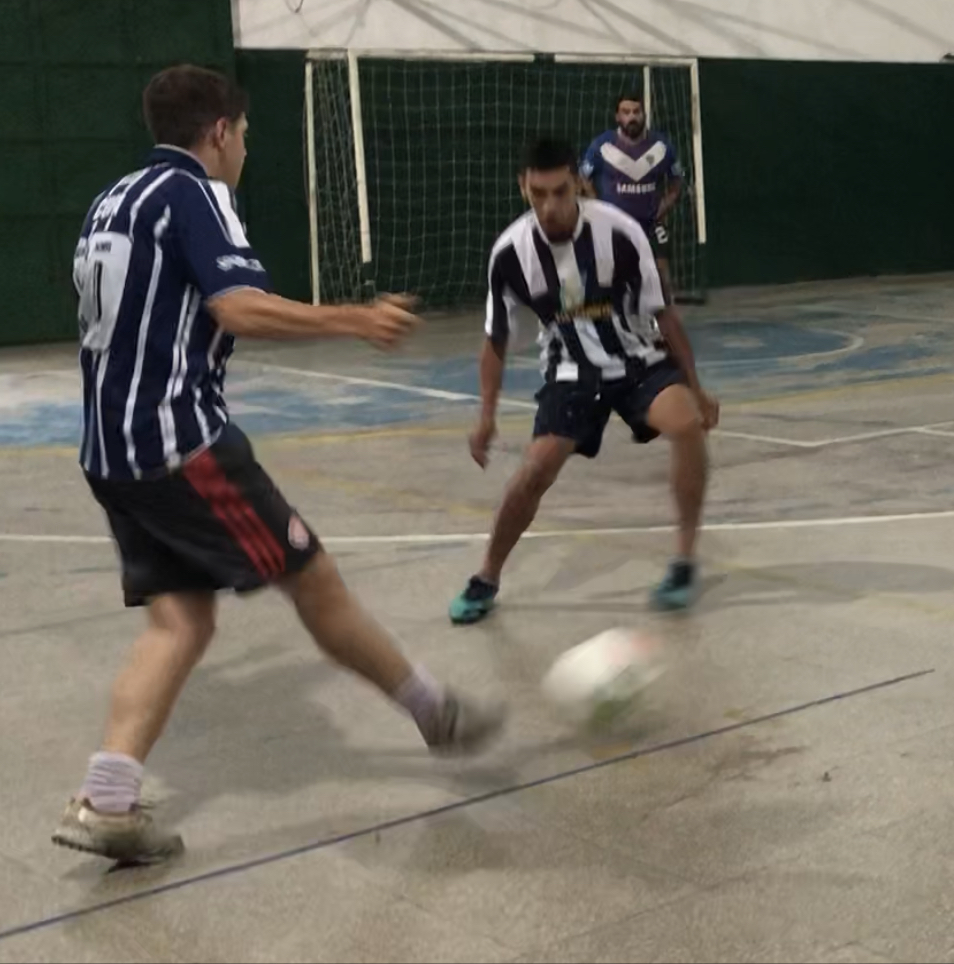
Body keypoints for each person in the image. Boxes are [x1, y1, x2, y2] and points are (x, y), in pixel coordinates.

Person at [58, 65, 503, 865]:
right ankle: (433, 711)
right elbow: (237, 307)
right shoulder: (194, 193)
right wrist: (354, 320)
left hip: (110, 451)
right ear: (219, 131)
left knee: (181, 621)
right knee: (313, 579)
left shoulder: (111, 201)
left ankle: (107, 801)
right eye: (244, 135)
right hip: (180, 445)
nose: (244, 150)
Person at [448, 138, 719, 624]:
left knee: (685, 426)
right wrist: (485, 416)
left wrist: (695, 389)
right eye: (538, 194)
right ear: (523, 187)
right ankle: (487, 576)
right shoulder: (510, 253)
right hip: (569, 371)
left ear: (577, 182)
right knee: (535, 470)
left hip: (636, 359)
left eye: (559, 191)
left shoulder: (621, 231)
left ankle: (682, 562)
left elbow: (664, 314)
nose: (549, 206)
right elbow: (495, 340)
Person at [580, 93, 686, 302]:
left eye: (636, 112)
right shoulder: (602, 146)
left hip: (650, 224)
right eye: (626, 112)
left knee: (662, 278)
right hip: (613, 227)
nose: (632, 117)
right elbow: (582, 178)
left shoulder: (662, 147)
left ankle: (665, 316)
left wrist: (663, 207)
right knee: (607, 282)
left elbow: (677, 182)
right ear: (617, 117)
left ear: (644, 114)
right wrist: (598, 206)